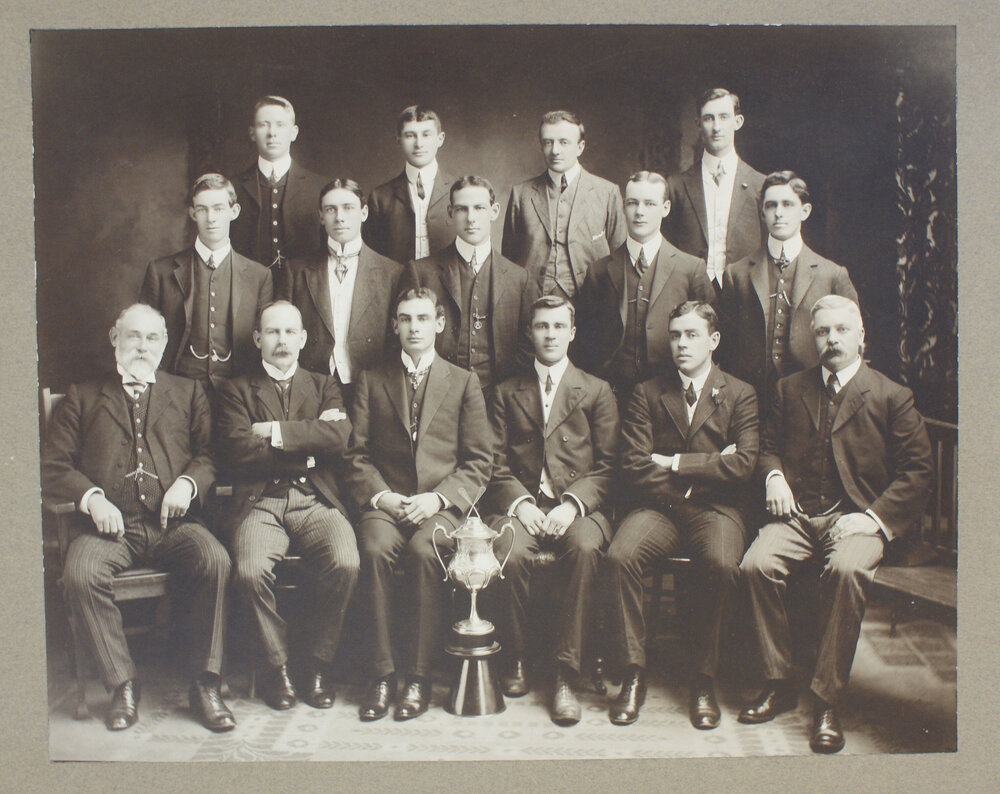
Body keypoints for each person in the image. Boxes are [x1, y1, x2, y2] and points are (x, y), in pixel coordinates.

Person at [739, 295, 933, 754]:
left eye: (842, 330)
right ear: (812, 337)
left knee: (846, 571)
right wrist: (773, 477)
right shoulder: (790, 388)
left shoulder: (890, 395)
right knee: (755, 566)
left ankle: (826, 699)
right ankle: (779, 680)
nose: (832, 340)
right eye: (823, 332)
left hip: (858, 519)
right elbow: (766, 446)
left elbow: (919, 471)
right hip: (799, 515)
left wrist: (871, 519)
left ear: (861, 336)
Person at [41, 303, 235, 732]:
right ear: (115, 339)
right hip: (111, 529)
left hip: (173, 527)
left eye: (151, 338)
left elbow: (209, 454)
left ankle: (205, 683)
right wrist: (92, 499)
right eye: (133, 336)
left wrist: (187, 484)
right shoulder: (83, 395)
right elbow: (53, 465)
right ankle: (123, 683)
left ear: (164, 344)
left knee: (215, 560)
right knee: (80, 572)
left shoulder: (188, 393)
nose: (142, 346)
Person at [606, 301, 758, 729]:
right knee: (620, 557)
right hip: (662, 509)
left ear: (714, 341)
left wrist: (675, 464)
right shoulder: (648, 393)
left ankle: (704, 678)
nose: (681, 344)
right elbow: (634, 465)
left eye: (691, 335)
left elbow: (744, 465)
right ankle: (633, 674)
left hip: (718, 510)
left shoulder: (740, 393)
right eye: (675, 335)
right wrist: (709, 467)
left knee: (723, 564)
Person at [344, 287, 493, 722]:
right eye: (405, 319)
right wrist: (385, 496)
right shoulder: (372, 379)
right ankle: (383, 674)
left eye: (422, 319)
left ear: (439, 324)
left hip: (440, 506)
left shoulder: (464, 381)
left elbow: (480, 461)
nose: (414, 327)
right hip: (386, 502)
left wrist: (437, 498)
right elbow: (355, 453)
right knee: (371, 550)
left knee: (425, 552)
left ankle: (419, 676)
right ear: (394, 325)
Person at [214, 301, 358, 711]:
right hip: (261, 502)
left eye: (289, 332)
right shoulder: (236, 389)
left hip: (315, 500)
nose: (281, 341)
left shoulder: (324, 384)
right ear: (258, 338)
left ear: (303, 338)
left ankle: (316, 665)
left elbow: (338, 438)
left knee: (346, 562)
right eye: (272, 333)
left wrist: (275, 431)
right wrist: (305, 447)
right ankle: (277, 668)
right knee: (250, 570)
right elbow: (237, 451)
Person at [486, 295, 619, 726]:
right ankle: (517, 658)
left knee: (583, 549)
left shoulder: (596, 390)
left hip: (576, 506)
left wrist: (571, 504)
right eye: (542, 326)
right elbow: (491, 460)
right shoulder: (507, 391)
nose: (550, 334)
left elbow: (608, 465)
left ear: (572, 332)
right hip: (521, 505)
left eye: (558, 326)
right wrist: (521, 504)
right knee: (511, 549)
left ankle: (565, 672)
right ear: (530, 332)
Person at [718, 171, 859, 411]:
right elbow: (726, 346)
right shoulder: (737, 273)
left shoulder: (831, 275)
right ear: (762, 212)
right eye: (771, 205)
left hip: (812, 400)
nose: (779, 213)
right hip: (750, 400)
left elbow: (854, 345)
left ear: (805, 211)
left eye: (788, 204)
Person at [576, 171, 715, 411]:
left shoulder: (690, 268)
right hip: (612, 398)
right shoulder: (599, 271)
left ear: (666, 208)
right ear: (623, 207)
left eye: (650, 204)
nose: (640, 212)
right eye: (632, 203)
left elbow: (710, 337)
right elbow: (584, 342)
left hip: (671, 398)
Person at [281, 178, 405, 410]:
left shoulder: (391, 273)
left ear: (364, 212)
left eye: (348, 208)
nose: (339, 217)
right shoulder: (296, 270)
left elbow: (395, 341)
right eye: (331, 209)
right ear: (321, 216)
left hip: (370, 387)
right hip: (312, 386)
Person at [139, 173, 273, 386]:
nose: (211, 218)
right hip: (177, 387)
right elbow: (142, 335)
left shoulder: (259, 276)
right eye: (202, 209)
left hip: (237, 391)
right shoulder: (161, 272)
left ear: (234, 211)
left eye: (218, 209)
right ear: (193, 213)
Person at [407, 175, 531, 398]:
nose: (471, 218)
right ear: (450, 213)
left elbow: (527, 345)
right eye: (462, 209)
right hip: (437, 394)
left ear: (494, 212)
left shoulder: (518, 277)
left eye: (479, 208)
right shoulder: (422, 272)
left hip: (499, 397)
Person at [502, 110, 626, 299]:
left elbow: (619, 259)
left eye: (564, 142)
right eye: (548, 142)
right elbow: (509, 261)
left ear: (580, 147)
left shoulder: (607, 193)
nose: (555, 150)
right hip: (533, 300)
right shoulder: (521, 194)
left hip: (591, 301)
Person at [664, 88, 766, 297]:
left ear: (737, 122)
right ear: (698, 124)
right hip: (690, 294)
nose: (717, 127)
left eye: (724, 117)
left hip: (744, 294)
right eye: (709, 118)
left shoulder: (760, 185)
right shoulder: (676, 185)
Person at [230, 95, 328, 292]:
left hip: (305, 290)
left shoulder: (320, 188)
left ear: (294, 132)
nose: (272, 133)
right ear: (252, 132)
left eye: (280, 125)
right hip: (247, 291)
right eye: (263, 125)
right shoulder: (233, 188)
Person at [363, 105, 456, 265]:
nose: (419, 144)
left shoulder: (459, 191)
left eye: (426, 135)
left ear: (440, 139)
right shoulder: (380, 197)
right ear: (398, 139)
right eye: (410, 135)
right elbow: (373, 259)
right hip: (399, 286)